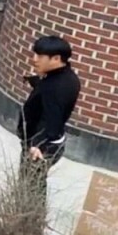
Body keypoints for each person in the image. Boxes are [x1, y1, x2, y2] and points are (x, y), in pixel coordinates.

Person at [17, 35, 81, 197]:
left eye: (39, 56)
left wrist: (38, 145)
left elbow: (52, 119)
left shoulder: (56, 88)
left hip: (42, 147)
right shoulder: (66, 77)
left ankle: (30, 220)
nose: (34, 59)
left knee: (30, 190)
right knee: (32, 185)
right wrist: (36, 82)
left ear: (56, 59)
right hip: (48, 142)